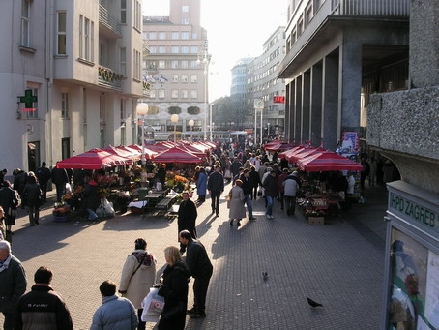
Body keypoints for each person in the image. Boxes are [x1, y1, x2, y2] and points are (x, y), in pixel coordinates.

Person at [119, 238, 157, 330]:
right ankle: (142, 327)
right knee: (142, 311)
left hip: (134, 289)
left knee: (130, 309)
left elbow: (126, 275)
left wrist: (122, 288)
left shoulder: (132, 258)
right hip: (147, 290)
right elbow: (154, 274)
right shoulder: (152, 258)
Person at [179, 230, 213, 319]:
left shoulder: (193, 247)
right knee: (196, 289)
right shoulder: (193, 243)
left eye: (180, 238)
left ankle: (200, 312)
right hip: (202, 272)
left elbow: (190, 264)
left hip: (204, 273)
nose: (179, 240)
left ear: (184, 238)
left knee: (200, 291)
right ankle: (196, 308)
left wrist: (185, 276)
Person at [157, 246, 191, 330]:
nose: (164, 257)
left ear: (170, 256)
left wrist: (162, 290)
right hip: (172, 309)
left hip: (174, 311)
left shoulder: (177, 273)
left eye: (166, 255)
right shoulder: (172, 268)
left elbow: (176, 293)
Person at [0, 240, 27, 330]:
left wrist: (13, 301)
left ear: (5, 252)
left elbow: (21, 286)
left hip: (10, 303)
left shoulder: (16, 265)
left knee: (9, 326)